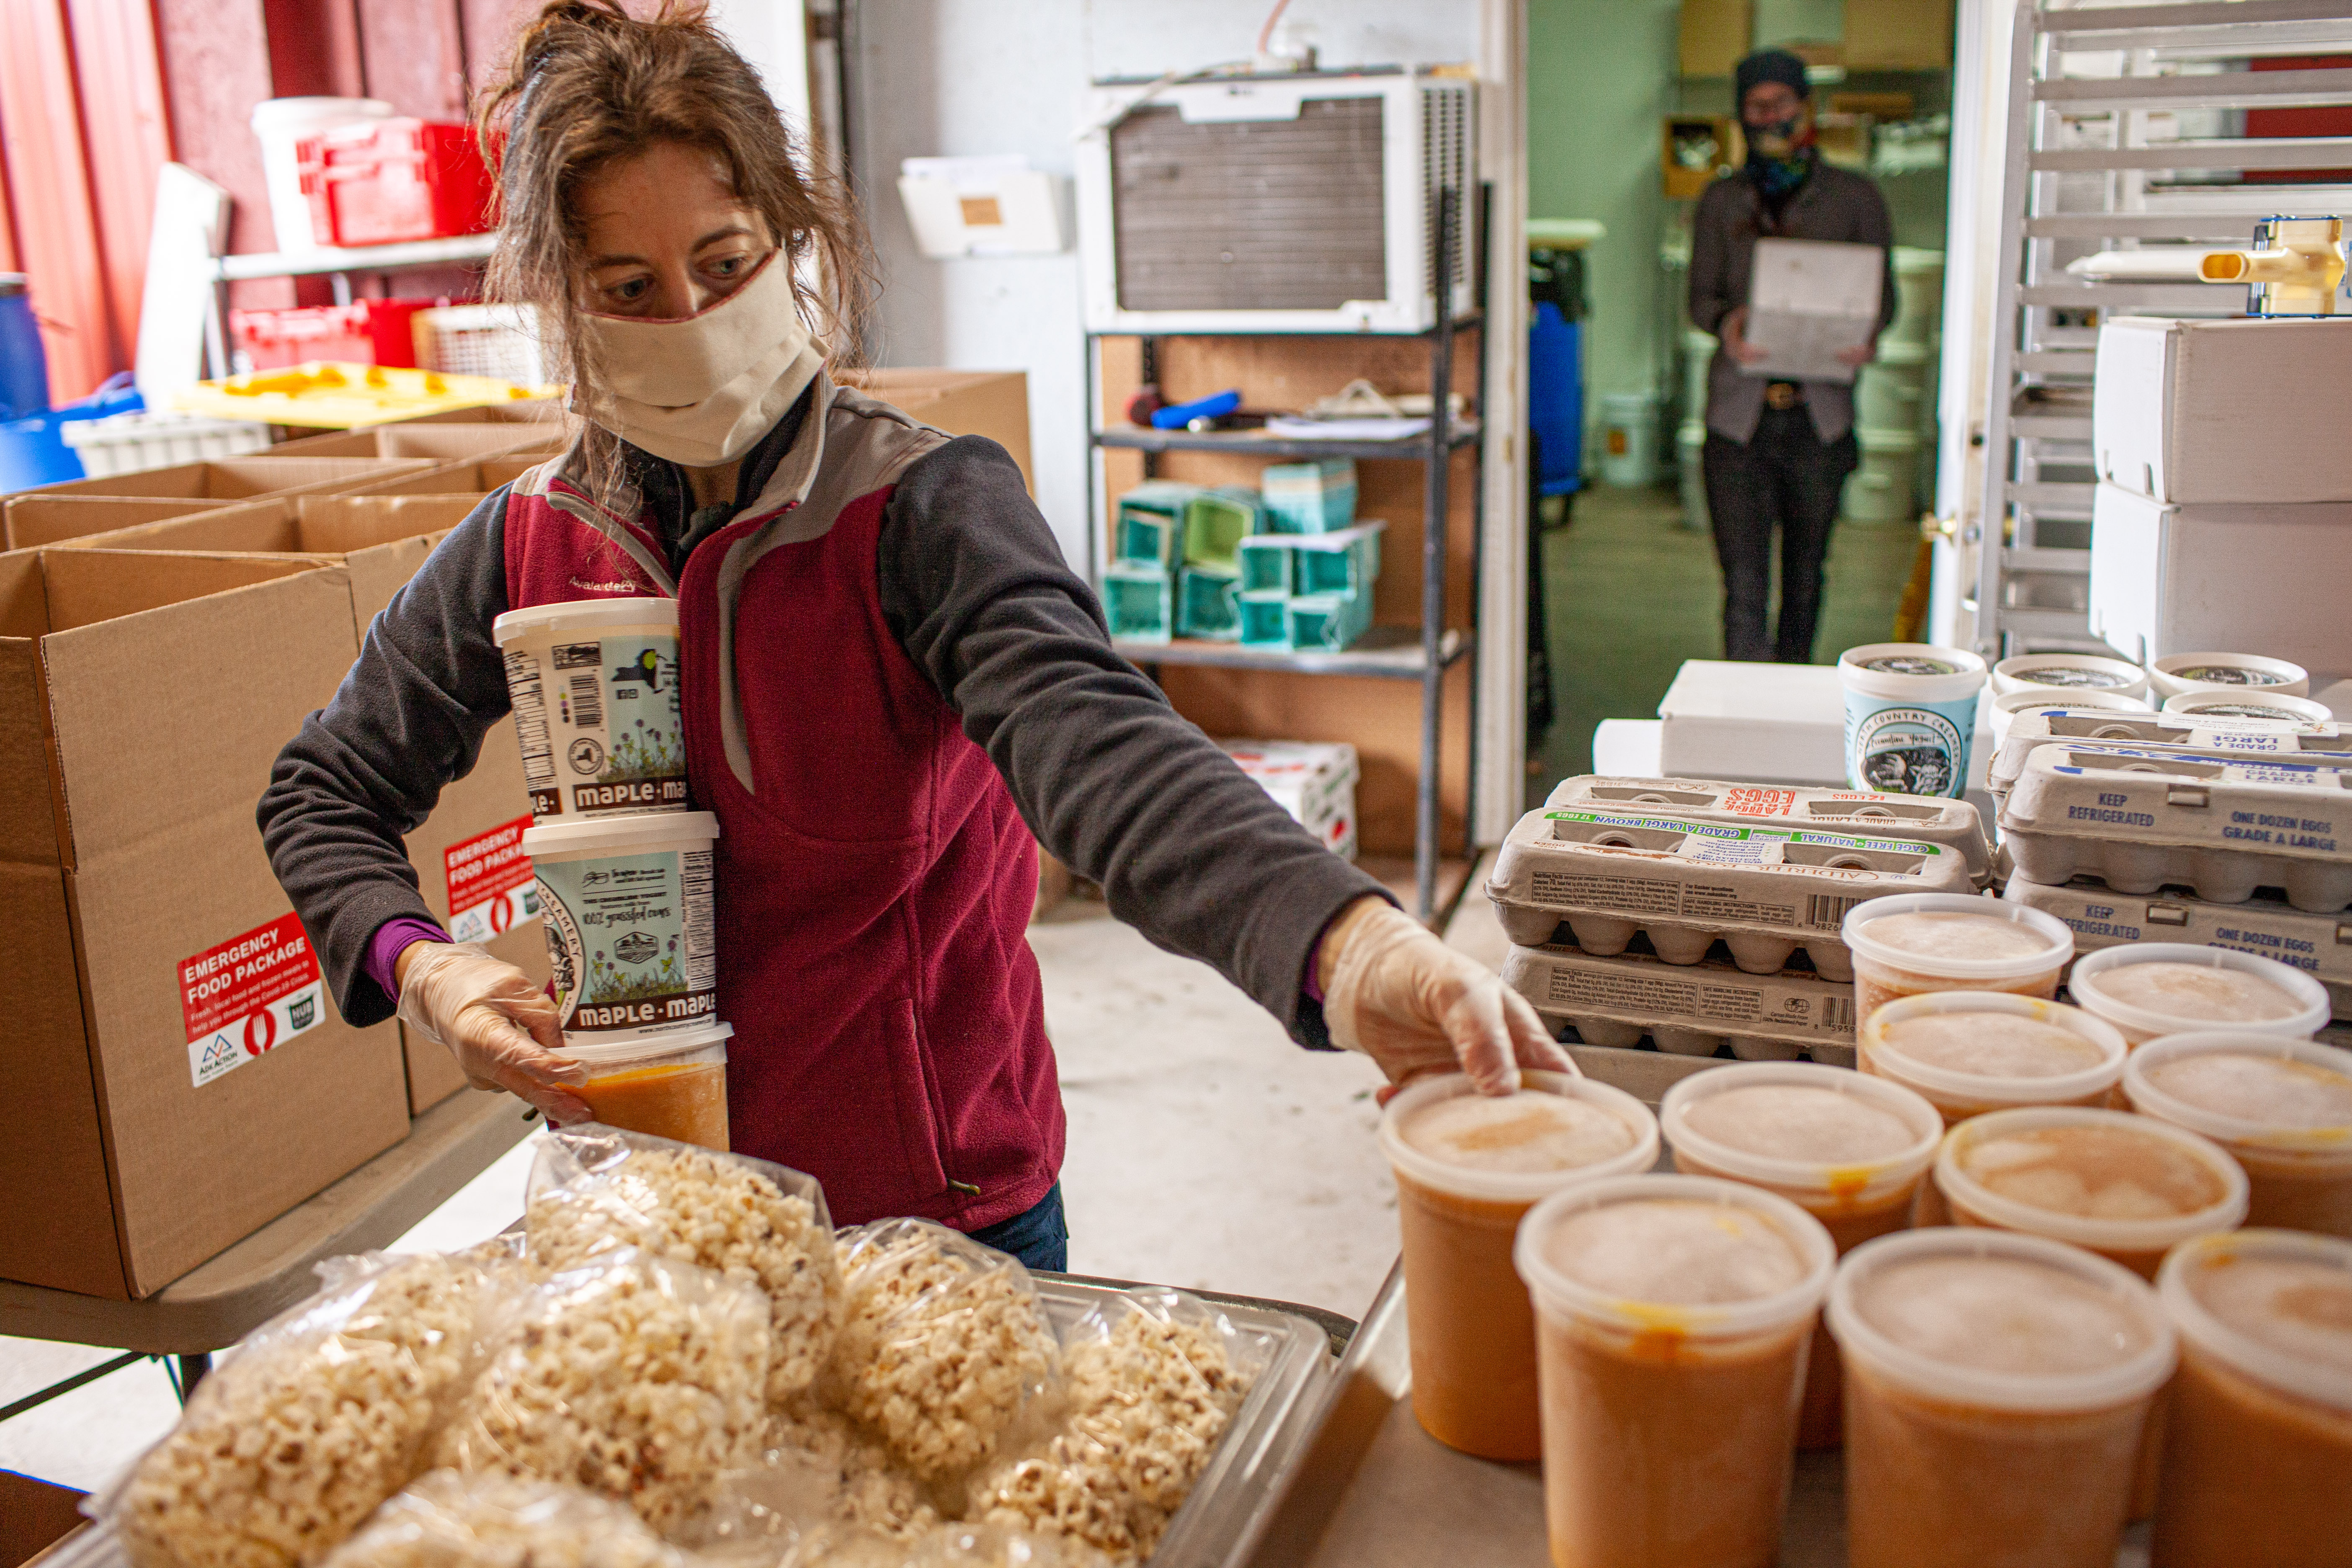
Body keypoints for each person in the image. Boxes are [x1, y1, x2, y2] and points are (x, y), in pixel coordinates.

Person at [255, 0, 1568, 1275]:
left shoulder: (919, 507)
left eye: (724, 264)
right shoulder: (528, 540)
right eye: (628, 286)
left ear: (791, 242)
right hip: (644, 1212)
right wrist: (420, 969)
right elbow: (324, 789)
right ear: (564, 304)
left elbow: (1099, 745)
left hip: (932, 1214)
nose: (693, 321)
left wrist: (1345, 946)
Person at [1689, 47, 1898, 665]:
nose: (1769, 116)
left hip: (1819, 417)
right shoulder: (1723, 201)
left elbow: (1885, 299)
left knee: (1806, 578)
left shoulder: (1855, 198)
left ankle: (1793, 695)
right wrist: (1729, 324)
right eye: (1756, 106)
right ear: (1741, 115)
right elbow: (1698, 299)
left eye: (1781, 103)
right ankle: (1745, 713)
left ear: (1805, 107)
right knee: (1744, 585)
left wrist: (1868, 332)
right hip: (1740, 421)